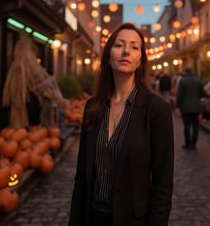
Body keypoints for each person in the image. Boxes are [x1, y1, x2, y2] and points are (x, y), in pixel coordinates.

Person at [68, 23, 174, 226]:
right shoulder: (93, 106)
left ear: (140, 61)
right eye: (119, 45)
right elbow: (81, 177)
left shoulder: (157, 110)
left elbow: (163, 185)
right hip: (93, 218)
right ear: (108, 56)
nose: (126, 51)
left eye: (134, 47)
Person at [175, 66, 205, 150]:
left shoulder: (182, 81)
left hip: (186, 108)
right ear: (192, 71)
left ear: (185, 71)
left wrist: (177, 106)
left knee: (187, 126)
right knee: (195, 127)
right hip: (196, 107)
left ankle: (188, 143)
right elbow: (202, 93)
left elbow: (179, 95)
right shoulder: (198, 80)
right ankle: (194, 143)